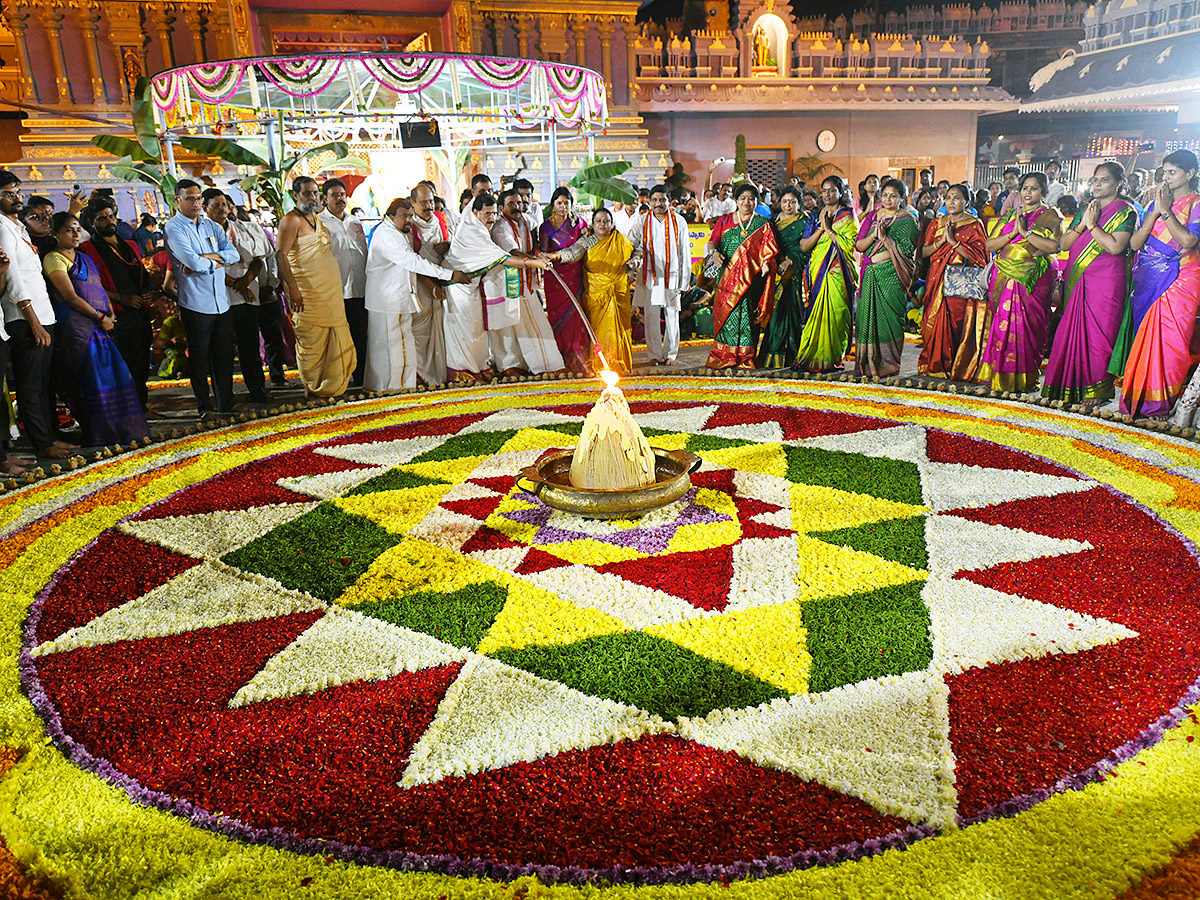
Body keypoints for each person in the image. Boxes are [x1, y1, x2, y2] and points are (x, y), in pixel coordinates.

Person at [42, 212, 148, 445]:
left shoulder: (85, 257)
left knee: (115, 376)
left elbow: (98, 288)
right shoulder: (54, 259)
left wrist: (109, 312)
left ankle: (123, 430)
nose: (75, 234)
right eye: (69, 229)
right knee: (91, 379)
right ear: (55, 233)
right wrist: (100, 316)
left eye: (78, 229)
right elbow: (70, 297)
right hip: (77, 325)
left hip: (101, 323)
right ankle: (99, 433)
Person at [1041, 162, 1137, 405]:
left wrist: (1092, 226)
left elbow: (1116, 247)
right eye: (1095, 179)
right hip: (1078, 276)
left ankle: (1097, 392)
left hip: (1106, 281)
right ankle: (1067, 386)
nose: (1097, 184)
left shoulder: (1126, 211)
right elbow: (1064, 244)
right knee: (1070, 329)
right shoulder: (1086, 208)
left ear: (1119, 184)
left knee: (1100, 334)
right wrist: (1084, 223)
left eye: (1104, 180)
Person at [0, 170, 78, 458]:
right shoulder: (1, 228)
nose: (17, 198)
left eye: (17, 192)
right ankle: (42, 444)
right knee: (31, 385)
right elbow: (14, 279)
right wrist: (33, 321)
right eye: (8, 194)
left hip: (44, 315)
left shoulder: (17, 227)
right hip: (25, 318)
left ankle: (50, 436)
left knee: (44, 384)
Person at [442, 192, 559, 381]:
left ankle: (479, 369)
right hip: (459, 287)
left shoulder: (481, 226)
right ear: (475, 212)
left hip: (473, 285)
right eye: (487, 213)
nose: (492, 218)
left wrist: (534, 259)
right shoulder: (473, 231)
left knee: (477, 333)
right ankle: (464, 373)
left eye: (493, 213)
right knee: (466, 333)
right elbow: (503, 257)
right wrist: (533, 263)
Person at [1119, 149, 1200, 419]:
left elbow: (1189, 242)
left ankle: (1159, 404)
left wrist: (1165, 212)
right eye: (1164, 172)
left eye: (1173, 172)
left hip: (1181, 279)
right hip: (1148, 279)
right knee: (1145, 338)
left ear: (1189, 174)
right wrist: (1154, 214)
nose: (1167, 177)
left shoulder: (1196, 203)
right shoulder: (1156, 205)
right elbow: (1134, 244)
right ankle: (1139, 399)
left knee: (1171, 341)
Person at [364, 197, 467, 391]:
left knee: (390, 349)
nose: (409, 220)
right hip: (389, 301)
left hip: (394, 299)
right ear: (390, 216)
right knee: (395, 350)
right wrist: (450, 274)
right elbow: (413, 261)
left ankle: (385, 389)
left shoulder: (399, 232)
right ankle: (398, 391)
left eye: (411, 216)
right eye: (404, 216)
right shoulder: (388, 234)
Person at [977, 172, 1062, 393]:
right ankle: (999, 377)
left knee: (1028, 327)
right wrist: (1013, 232)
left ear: (1043, 190)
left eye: (1033, 188)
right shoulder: (1010, 215)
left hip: (1033, 279)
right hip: (1003, 274)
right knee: (1002, 323)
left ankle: (1024, 379)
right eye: (1024, 188)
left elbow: (1055, 246)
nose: (1028, 192)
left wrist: (1026, 233)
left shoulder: (1051, 215)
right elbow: (990, 245)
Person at [163, 178, 240, 417]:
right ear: (177, 200)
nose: (196, 203)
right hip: (196, 303)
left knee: (224, 356)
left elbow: (234, 255)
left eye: (198, 199)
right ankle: (204, 406)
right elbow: (193, 263)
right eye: (190, 199)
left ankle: (225, 404)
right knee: (199, 359)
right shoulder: (174, 228)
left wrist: (207, 257)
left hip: (222, 303)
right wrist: (215, 259)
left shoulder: (212, 227)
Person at [275, 176, 357, 398]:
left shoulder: (316, 219)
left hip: (329, 291)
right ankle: (313, 387)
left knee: (336, 334)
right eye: (307, 193)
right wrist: (292, 288)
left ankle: (334, 385)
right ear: (295, 195)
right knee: (312, 339)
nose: (312, 197)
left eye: (314, 193)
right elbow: (280, 255)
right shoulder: (291, 221)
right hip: (306, 292)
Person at [79, 199, 155, 410]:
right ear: (91, 223)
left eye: (110, 216)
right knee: (122, 364)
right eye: (101, 219)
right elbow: (89, 287)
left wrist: (148, 292)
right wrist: (122, 298)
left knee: (141, 362)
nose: (108, 221)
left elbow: (142, 274)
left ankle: (142, 406)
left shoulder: (129, 245)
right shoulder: (87, 250)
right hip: (115, 315)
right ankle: (127, 410)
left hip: (138, 312)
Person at [202, 189, 271, 404]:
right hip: (221, 299)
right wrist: (237, 285)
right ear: (205, 209)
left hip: (249, 295)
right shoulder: (201, 235)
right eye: (216, 205)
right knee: (221, 349)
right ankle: (225, 397)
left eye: (225, 204)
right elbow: (207, 264)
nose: (223, 209)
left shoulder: (244, 229)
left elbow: (258, 259)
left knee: (250, 345)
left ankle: (257, 389)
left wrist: (245, 282)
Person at [700, 183, 778, 369]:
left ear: (757, 202)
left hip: (752, 280)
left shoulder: (763, 224)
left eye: (751, 199)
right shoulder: (725, 220)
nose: (747, 202)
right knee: (727, 315)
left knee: (748, 318)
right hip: (727, 277)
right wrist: (714, 254)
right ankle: (724, 354)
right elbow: (712, 243)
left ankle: (745, 356)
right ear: (736, 201)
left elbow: (769, 252)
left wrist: (767, 263)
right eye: (743, 198)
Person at [917, 183, 990, 380]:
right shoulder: (937, 223)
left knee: (958, 323)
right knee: (933, 321)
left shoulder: (975, 224)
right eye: (948, 197)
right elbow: (924, 252)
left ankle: (957, 366)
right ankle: (936, 364)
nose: (951, 202)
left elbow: (980, 257)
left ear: (967, 202)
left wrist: (954, 242)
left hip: (960, 283)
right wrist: (941, 241)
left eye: (956, 198)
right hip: (937, 278)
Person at [489, 189, 565, 375]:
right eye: (512, 204)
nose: (517, 208)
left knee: (535, 323)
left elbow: (537, 242)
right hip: (508, 283)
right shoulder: (500, 227)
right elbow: (513, 252)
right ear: (502, 208)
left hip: (527, 283)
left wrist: (540, 255)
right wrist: (535, 262)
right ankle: (512, 366)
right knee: (510, 327)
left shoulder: (526, 221)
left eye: (520, 203)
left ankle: (546, 364)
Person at [854, 177, 919, 377]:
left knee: (890, 319)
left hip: (892, 276)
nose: (888, 199)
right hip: (870, 275)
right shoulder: (873, 216)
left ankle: (888, 364)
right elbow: (859, 246)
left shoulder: (908, 221)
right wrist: (875, 236)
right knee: (866, 318)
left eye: (894, 196)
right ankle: (867, 364)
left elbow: (907, 250)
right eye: (885, 195)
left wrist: (886, 238)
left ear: (902, 198)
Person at [793, 175, 858, 372]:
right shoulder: (815, 216)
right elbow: (804, 246)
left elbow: (850, 245)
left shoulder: (847, 215)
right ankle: (811, 357)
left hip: (838, 272)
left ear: (840, 192)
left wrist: (830, 230)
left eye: (832, 190)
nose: (828, 194)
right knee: (816, 315)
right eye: (825, 190)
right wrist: (821, 230)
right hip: (818, 270)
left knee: (838, 314)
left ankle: (832, 358)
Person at [631, 184, 691, 366]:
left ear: (669, 201)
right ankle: (654, 355)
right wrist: (636, 255)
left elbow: (684, 253)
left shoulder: (679, 221)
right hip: (649, 276)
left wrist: (685, 280)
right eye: (655, 200)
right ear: (649, 202)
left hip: (672, 275)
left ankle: (671, 353)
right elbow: (630, 243)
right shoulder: (642, 221)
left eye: (662, 200)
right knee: (651, 315)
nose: (658, 204)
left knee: (672, 314)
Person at [318, 178, 368, 388]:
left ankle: (362, 377)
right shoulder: (318, 223)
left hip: (359, 287)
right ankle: (341, 379)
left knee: (360, 333)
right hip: (335, 290)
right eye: (335, 195)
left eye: (342, 195)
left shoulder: (355, 222)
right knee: (339, 337)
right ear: (325, 198)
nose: (340, 199)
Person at [537, 187, 591, 374]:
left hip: (574, 274)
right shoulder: (545, 227)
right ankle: (560, 356)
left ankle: (578, 354)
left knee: (576, 315)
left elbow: (586, 244)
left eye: (566, 203)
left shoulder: (579, 222)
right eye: (559, 203)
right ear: (553, 204)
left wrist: (586, 234)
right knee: (558, 315)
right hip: (555, 277)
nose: (563, 207)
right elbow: (543, 253)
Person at [758, 185, 809, 368]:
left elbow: (807, 249)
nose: (788, 205)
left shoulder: (805, 222)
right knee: (775, 314)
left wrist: (790, 261)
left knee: (791, 313)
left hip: (792, 275)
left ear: (799, 204)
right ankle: (771, 354)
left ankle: (790, 355)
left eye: (792, 202)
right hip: (773, 273)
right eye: (785, 201)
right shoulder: (772, 221)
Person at [409, 182, 454, 385]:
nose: (429, 206)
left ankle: (439, 374)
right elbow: (411, 259)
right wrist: (429, 284)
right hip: (420, 284)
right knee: (421, 332)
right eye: (424, 202)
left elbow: (456, 242)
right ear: (413, 202)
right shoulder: (410, 226)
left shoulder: (442, 220)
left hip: (442, 282)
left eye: (431, 201)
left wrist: (448, 244)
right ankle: (420, 375)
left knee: (442, 330)